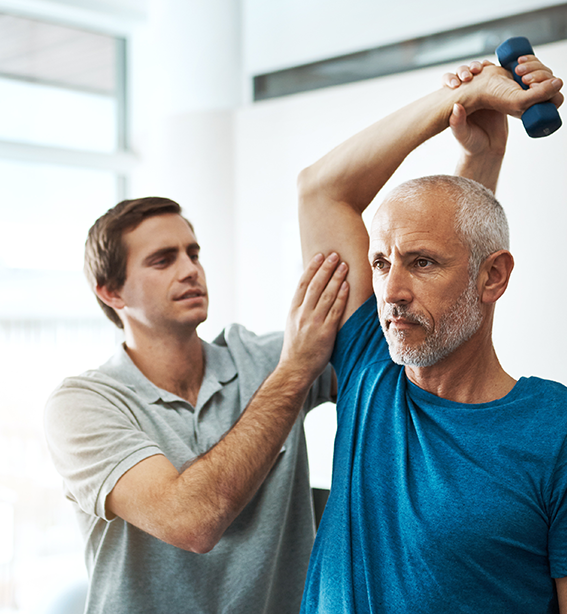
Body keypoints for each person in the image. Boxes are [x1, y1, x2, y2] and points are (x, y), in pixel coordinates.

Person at [295, 57, 567, 612]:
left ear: (495, 277)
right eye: (382, 264)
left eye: (422, 264)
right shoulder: (370, 368)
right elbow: (320, 190)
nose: (391, 291)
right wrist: (459, 105)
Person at [44, 196, 349, 613]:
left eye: (193, 254)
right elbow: (192, 521)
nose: (190, 270)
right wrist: (295, 372)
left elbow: (390, 356)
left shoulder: (267, 360)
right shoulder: (82, 405)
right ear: (111, 291)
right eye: (162, 260)